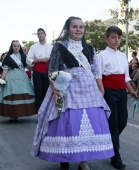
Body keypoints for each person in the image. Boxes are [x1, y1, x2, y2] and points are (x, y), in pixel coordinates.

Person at [31, 16, 114, 170]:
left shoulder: (89, 48)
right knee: (66, 121)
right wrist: (55, 89)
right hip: (67, 86)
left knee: (91, 121)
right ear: (68, 29)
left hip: (88, 88)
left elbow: (95, 71)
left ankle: (83, 160)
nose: (78, 29)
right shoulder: (60, 47)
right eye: (75, 26)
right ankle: (65, 157)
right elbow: (52, 70)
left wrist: (100, 88)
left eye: (81, 27)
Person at [97, 26, 138, 169]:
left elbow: (126, 77)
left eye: (118, 37)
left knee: (123, 121)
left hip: (121, 92)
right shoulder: (101, 56)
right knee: (113, 124)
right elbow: (98, 76)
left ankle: (108, 142)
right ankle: (116, 157)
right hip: (109, 92)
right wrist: (102, 92)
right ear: (106, 39)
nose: (116, 40)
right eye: (113, 37)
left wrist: (131, 91)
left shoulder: (122, 56)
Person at [0, 40, 37, 122]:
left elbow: (28, 66)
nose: (16, 47)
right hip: (11, 78)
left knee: (22, 94)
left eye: (17, 46)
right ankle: (11, 115)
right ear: (12, 47)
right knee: (11, 96)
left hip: (22, 77)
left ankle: (18, 115)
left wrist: (34, 63)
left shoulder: (23, 56)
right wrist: (2, 79)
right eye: (14, 46)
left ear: (19, 47)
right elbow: (5, 70)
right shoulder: (8, 57)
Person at [26, 28, 53, 110]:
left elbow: (53, 59)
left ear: (45, 34)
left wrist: (37, 60)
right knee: (38, 93)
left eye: (41, 33)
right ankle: (39, 114)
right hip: (37, 72)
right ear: (37, 35)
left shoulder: (51, 46)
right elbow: (28, 60)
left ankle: (46, 114)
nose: (40, 35)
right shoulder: (33, 47)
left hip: (48, 71)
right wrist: (40, 60)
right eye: (38, 33)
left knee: (47, 93)